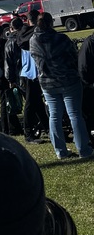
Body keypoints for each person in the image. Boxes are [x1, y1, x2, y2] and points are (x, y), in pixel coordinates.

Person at [30, 12, 93, 160]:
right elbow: (73, 56)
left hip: (47, 83)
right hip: (68, 80)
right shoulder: (61, 39)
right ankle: (84, 149)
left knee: (55, 116)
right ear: (51, 22)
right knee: (75, 114)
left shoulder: (33, 40)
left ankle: (60, 151)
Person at [5, 15, 48, 144]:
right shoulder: (31, 36)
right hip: (30, 73)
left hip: (26, 73)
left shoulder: (18, 38)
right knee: (31, 104)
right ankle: (28, 133)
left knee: (37, 104)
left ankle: (48, 128)